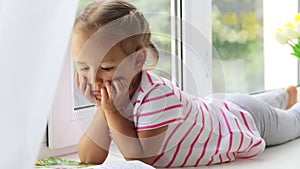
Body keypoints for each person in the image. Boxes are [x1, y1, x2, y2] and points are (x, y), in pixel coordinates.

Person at [71, 0, 300, 167]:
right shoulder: (114, 90)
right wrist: (104, 108)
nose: (93, 80)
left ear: (138, 60)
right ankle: (283, 95)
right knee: (255, 103)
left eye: (106, 68)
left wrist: (110, 110)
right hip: (220, 108)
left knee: (292, 122)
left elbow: (141, 159)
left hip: (242, 121)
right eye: (83, 68)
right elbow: (89, 157)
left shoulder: (156, 96)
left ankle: (286, 98)